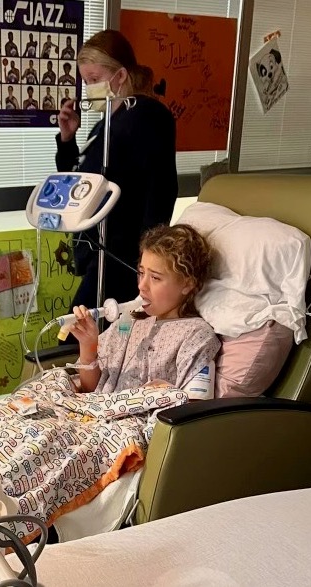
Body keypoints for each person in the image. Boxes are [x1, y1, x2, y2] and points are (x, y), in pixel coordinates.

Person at [56, 29, 177, 324]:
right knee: (86, 334)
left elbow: (161, 190)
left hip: (123, 256)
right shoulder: (106, 124)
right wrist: (68, 139)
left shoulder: (146, 116)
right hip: (98, 251)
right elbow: (79, 182)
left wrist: (148, 261)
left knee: (82, 331)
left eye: (95, 79)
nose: (89, 88)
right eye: (86, 81)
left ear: (120, 75)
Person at [68, 224, 219, 397]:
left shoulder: (196, 336)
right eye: (141, 273)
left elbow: (193, 410)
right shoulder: (129, 321)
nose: (142, 285)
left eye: (155, 277)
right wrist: (88, 346)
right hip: (96, 412)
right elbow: (90, 389)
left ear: (187, 284)